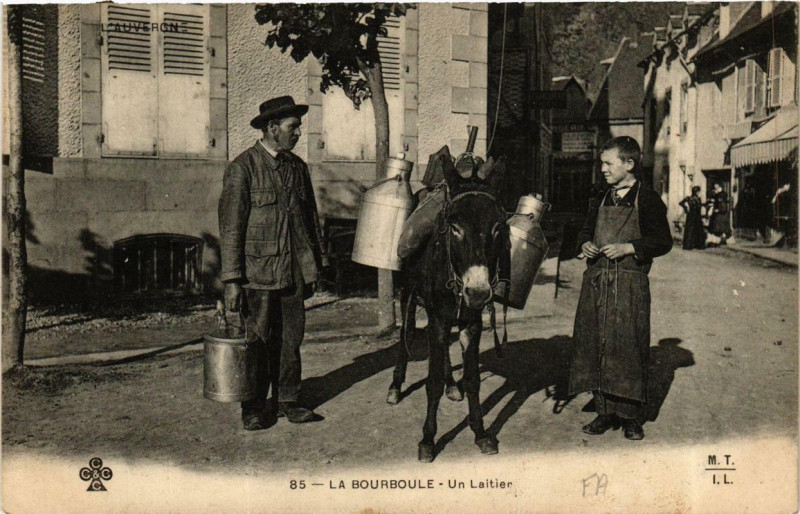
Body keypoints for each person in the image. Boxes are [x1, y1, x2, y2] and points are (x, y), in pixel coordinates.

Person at [218, 96, 327, 429]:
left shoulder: (298, 168)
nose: (297, 133)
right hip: (258, 274)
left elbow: (310, 219)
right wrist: (232, 280)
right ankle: (252, 407)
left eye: (298, 127)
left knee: (291, 339)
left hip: (294, 270)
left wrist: (316, 266)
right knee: (258, 340)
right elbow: (231, 227)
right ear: (272, 128)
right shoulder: (242, 168)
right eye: (293, 127)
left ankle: (288, 401)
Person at [569, 136, 672, 440]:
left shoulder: (649, 199)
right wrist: (584, 244)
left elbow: (662, 242)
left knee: (629, 347)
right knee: (597, 344)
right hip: (598, 283)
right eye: (601, 163)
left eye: (608, 163)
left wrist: (629, 246)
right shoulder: (599, 198)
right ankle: (604, 412)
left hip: (630, 285)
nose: (602, 169)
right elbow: (584, 232)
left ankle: (630, 417)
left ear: (629, 164)